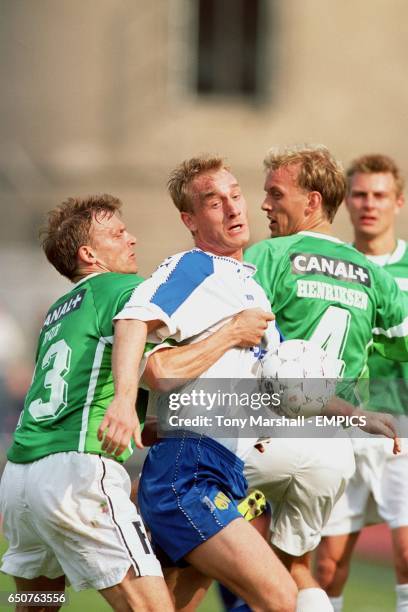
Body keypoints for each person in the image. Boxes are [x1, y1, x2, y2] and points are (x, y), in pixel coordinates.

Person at [110, 155, 298, 612]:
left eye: (235, 196)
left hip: (222, 470)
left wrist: (359, 416)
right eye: (215, 203)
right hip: (189, 473)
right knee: (281, 598)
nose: (234, 209)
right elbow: (136, 326)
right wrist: (121, 402)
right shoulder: (195, 267)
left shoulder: (248, 284)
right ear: (190, 220)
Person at [244, 145, 408, 612]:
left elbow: (233, 332)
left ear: (312, 201)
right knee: (297, 569)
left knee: (185, 550)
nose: (264, 204)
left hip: (270, 437)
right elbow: (401, 344)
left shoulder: (271, 256)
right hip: (336, 445)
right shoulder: (374, 278)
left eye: (275, 194)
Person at [0, 194, 173, 611]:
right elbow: (153, 352)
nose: (131, 238)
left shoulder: (58, 310)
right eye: (117, 233)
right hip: (76, 475)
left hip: (19, 484)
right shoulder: (123, 287)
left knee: (34, 603)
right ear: (89, 254)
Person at [316, 154, 408, 612]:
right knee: (328, 565)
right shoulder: (326, 266)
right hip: (340, 429)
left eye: (379, 195)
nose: (369, 204)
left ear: (399, 201)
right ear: (345, 202)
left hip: (401, 430)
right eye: (359, 194)